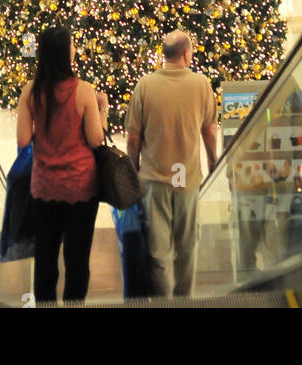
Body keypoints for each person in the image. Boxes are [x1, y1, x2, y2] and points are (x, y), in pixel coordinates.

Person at [15, 26, 107, 304]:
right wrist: (102, 110)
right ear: (65, 53)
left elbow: (22, 139)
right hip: (81, 188)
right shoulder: (83, 91)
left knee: (45, 260)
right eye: (72, 45)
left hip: (44, 188)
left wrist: (41, 127)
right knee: (77, 261)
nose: (75, 49)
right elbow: (95, 139)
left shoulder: (31, 91)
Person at [125, 30, 218, 297]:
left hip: (154, 179)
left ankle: (163, 302)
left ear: (163, 55)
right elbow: (209, 131)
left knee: (158, 251)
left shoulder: (145, 85)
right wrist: (212, 162)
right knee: (187, 247)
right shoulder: (201, 84)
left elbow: (133, 136)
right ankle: (184, 299)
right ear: (187, 54)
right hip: (186, 179)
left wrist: (134, 168)